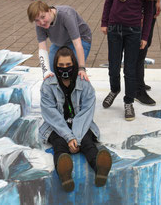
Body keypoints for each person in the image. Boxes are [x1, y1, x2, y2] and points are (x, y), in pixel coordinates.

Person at [39, 46, 112, 191]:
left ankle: (100, 170)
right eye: (61, 66)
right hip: (57, 125)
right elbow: (50, 114)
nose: (65, 69)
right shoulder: (48, 85)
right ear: (55, 66)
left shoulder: (84, 83)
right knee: (59, 143)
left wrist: (76, 138)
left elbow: (86, 112)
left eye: (68, 65)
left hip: (81, 123)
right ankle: (65, 176)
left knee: (87, 142)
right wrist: (68, 137)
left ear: (74, 64)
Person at [100, 0, 157, 121]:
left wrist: (145, 36)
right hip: (114, 28)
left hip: (134, 30)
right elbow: (109, 0)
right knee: (114, 66)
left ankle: (129, 101)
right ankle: (114, 89)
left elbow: (149, 12)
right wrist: (104, 22)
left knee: (130, 69)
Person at [27, 1, 91, 81]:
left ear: (49, 10)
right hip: (60, 42)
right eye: (36, 20)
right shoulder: (39, 24)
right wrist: (46, 71)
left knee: (73, 72)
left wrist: (81, 68)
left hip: (81, 39)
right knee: (50, 73)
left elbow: (77, 44)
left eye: (43, 17)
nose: (41, 22)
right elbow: (42, 47)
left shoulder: (66, 14)